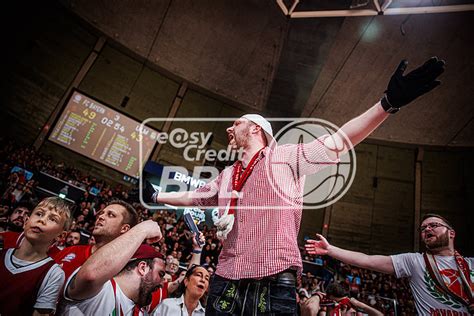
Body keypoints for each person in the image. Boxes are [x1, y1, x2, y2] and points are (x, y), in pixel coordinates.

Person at [145, 57, 445, 314]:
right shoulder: (227, 175)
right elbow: (195, 198)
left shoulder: (286, 157)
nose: (228, 128)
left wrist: (386, 104)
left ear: (255, 129)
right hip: (226, 278)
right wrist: (156, 194)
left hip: (275, 278)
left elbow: (339, 141)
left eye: (235, 123)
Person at [305, 213, 474, 315]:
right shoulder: (414, 261)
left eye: (434, 225)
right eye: (423, 228)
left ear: (451, 233)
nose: (427, 229)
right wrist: (330, 250)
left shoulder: (471, 265)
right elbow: (367, 260)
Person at [58, 220, 165, 315]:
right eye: (160, 274)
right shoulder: (101, 288)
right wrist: (143, 229)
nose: (162, 283)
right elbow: (90, 275)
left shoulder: (141, 312)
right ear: (143, 268)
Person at [0, 197, 72, 315]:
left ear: (61, 236)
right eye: (39, 214)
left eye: (52, 219)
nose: (42, 220)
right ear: (26, 221)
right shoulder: (1, 253)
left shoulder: (53, 274)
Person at [53, 198, 138, 279]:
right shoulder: (71, 250)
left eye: (110, 215)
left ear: (124, 229)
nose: (100, 217)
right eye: (102, 213)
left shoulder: (122, 272)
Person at [301, 282, 383, 316]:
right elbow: (310, 308)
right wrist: (317, 296)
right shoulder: (329, 304)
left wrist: (362, 306)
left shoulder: (353, 307)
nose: (353, 312)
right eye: (344, 306)